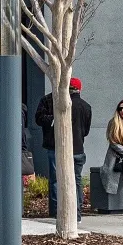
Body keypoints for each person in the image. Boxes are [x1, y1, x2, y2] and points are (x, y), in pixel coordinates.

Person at [34, 77, 92, 220]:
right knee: (76, 180)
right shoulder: (86, 107)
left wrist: (53, 120)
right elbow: (86, 131)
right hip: (78, 148)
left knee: (56, 179)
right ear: (80, 89)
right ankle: (76, 212)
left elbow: (38, 118)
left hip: (56, 147)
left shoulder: (52, 101)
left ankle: (57, 211)